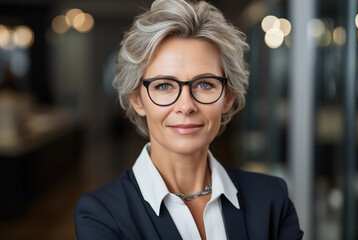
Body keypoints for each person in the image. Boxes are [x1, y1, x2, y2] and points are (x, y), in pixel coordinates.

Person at [74, 0, 304, 239]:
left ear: (228, 97)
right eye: (164, 85)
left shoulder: (272, 199)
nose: (186, 106)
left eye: (204, 84)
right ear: (137, 100)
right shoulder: (101, 215)